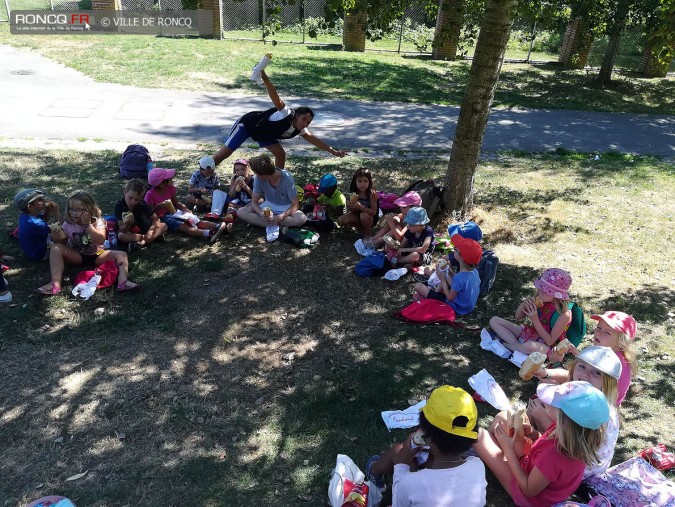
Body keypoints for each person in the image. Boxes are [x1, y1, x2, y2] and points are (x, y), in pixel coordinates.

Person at [475, 381, 609, 507]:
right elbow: (543, 445)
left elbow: (528, 489)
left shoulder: (554, 455)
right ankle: (494, 454)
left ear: (562, 415)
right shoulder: (568, 432)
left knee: (479, 436)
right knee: (503, 417)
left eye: (553, 400)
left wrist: (508, 449)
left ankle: (492, 454)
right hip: (532, 467)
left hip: (529, 496)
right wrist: (533, 434)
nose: (547, 401)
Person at [365, 386, 488, 507]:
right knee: (415, 461)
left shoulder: (409, 484)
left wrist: (401, 462)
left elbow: (399, 501)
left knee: (398, 451)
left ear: (427, 435)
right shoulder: (477, 466)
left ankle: (374, 472)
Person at [212, 69, 347, 169]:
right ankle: (204, 172)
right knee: (223, 154)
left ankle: (278, 180)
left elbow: (315, 140)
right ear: (297, 115)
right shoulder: (286, 113)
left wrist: (333, 151)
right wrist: (265, 79)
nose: (305, 123)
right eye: (304, 119)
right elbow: (275, 98)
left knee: (280, 154)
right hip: (248, 125)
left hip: (265, 135)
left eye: (308, 122)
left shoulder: (300, 129)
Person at [529, 346, 622, 479]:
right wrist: (546, 373)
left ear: (608, 383)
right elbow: (569, 377)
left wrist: (542, 417)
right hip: (581, 453)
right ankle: (526, 430)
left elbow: (571, 442)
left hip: (581, 469)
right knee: (542, 402)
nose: (585, 375)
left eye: (596, 373)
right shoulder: (594, 395)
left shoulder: (594, 410)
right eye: (582, 366)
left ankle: (527, 435)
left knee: (538, 407)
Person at [35, 190, 140, 295]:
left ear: (89, 210)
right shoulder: (68, 224)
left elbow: (101, 240)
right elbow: (63, 242)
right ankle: (55, 284)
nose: (74, 213)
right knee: (55, 247)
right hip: (77, 255)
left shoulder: (98, 221)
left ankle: (123, 282)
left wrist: (88, 225)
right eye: (72, 209)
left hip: (98, 254)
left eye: (78, 210)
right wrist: (56, 237)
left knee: (121, 254)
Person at [486, 268, 573, 356]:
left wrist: (535, 320)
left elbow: (550, 341)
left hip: (545, 345)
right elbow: (518, 316)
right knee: (494, 320)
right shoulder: (541, 299)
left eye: (546, 291)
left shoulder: (564, 314)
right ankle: (517, 346)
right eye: (540, 288)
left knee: (531, 347)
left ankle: (504, 344)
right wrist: (524, 305)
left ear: (557, 295)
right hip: (531, 333)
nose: (540, 292)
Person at [144, 168, 226, 243]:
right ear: (162, 183)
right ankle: (208, 233)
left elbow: (175, 202)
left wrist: (184, 208)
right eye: (169, 178)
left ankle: (218, 227)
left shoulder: (170, 188)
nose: (172, 179)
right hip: (162, 217)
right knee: (184, 226)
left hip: (173, 212)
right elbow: (149, 213)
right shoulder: (150, 194)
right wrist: (159, 206)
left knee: (194, 220)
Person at [413, 233, 482, 315]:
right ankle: (429, 288)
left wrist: (442, 280)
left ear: (461, 257)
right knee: (422, 292)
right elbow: (459, 283)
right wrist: (448, 271)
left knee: (418, 286)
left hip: (456, 308)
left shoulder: (459, 278)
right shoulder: (474, 271)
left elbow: (450, 298)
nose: (453, 250)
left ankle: (429, 298)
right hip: (467, 307)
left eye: (455, 249)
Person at [235, 154, 307, 229]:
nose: (255, 175)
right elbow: (254, 202)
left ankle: (271, 224)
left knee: (301, 219)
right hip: (268, 206)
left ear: (263, 175)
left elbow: (295, 205)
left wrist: (281, 217)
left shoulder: (287, 177)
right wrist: (261, 214)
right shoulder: (258, 178)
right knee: (241, 212)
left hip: (286, 207)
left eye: (257, 174)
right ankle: (278, 225)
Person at [589, 311, 638, 405]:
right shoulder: (609, 353)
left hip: (599, 410)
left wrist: (557, 364)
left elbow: (584, 383)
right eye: (599, 327)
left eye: (607, 332)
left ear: (621, 341)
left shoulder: (612, 363)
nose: (598, 333)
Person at [114, 179, 168, 252]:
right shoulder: (119, 206)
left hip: (141, 227)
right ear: (125, 192)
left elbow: (156, 219)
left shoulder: (142, 204)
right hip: (129, 232)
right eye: (130, 198)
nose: (133, 201)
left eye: (136, 200)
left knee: (164, 225)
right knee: (121, 236)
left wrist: (151, 231)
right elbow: (122, 229)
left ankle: (141, 243)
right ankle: (154, 238)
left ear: (140, 198)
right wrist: (129, 223)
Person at [15, 188, 62, 261]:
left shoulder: (26, 215)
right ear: (30, 207)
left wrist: (48, 209)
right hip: (39, 254)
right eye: (40, 199)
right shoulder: (37, 224)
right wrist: (56, 212)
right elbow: (58, 230)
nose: (44, 200)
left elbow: (44, 219)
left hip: (30, 250)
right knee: (62, 239)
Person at [337, 168, 379, 239]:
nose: (362, 184)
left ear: (369, 182)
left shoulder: (371, 194)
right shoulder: (354, 192)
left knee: (363, 215)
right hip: (358, 216)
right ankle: (360, 227)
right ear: (355, 181)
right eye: (359, 181)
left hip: (370, 219)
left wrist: (360, 207)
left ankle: (367, 234)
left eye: (365, 181)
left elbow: (373, 212)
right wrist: (351, 206)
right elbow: (353, 212)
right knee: (340, 220)